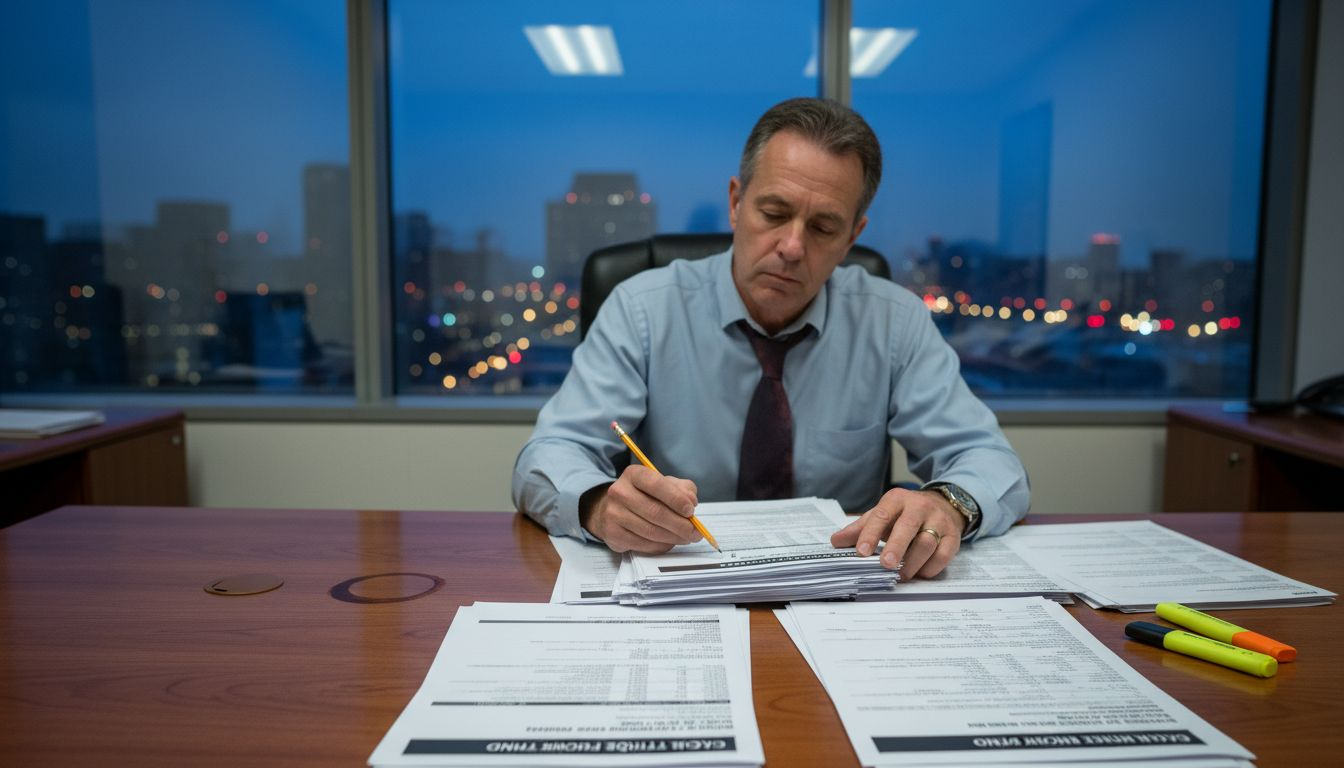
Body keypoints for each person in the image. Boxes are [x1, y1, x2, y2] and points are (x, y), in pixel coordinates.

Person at [512, 97, 1029, 578]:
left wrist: (948, 505)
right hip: (681, 585)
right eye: (774, 214)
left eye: (824, 228)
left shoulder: (893, 321)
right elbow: (550, 454)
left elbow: (991, 461)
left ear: (853, 236)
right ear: (737, 203)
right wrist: (599, 505)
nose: (791, 246)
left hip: (841, 592)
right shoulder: (643, 308)